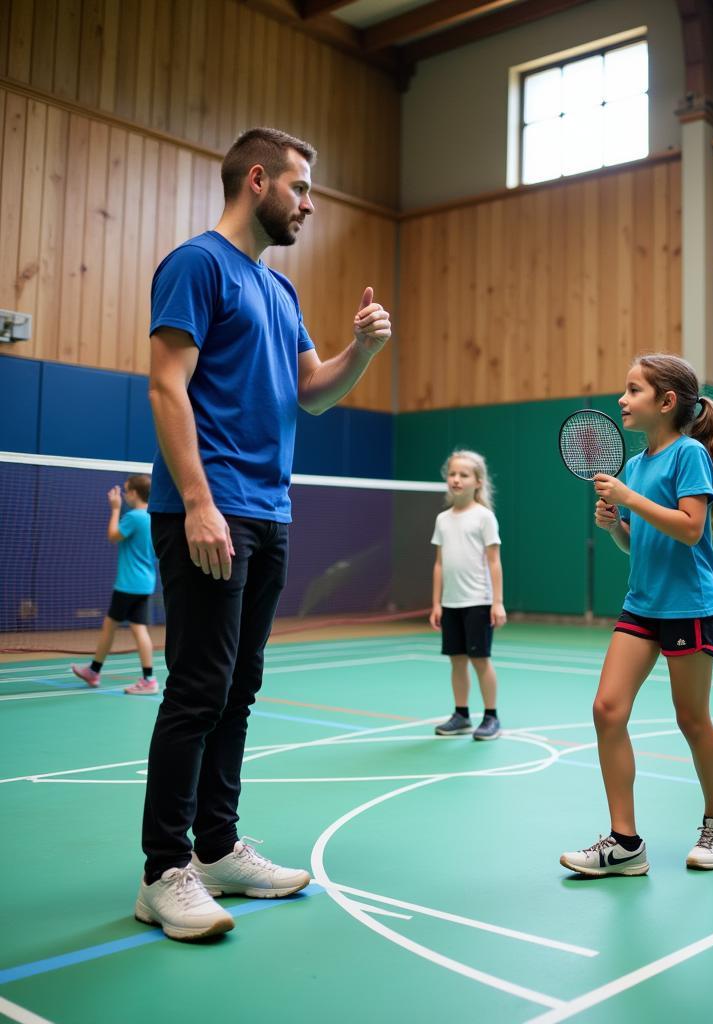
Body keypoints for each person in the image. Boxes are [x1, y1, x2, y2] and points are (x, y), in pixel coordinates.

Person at [136, 126, 391, 942]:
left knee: (239, 688)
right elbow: (166, 387)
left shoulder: (279, 293)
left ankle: (216, 849)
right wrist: (199, 501)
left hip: (269, 512)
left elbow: (312, 393)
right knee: (197, 689)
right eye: (301, 188)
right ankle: (162, 871)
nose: (309, 205)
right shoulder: (196, 265)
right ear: (258, 180)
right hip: (210, 512)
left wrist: (363, 349)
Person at [559, 354, 713, 877]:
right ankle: (625, 843)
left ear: (666, 402)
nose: (622, 399)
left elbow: (688, 527)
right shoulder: (634, 466)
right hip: (642, 604)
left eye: (633, 390)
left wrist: (628, 498)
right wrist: (617, 524)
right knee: (606, 710)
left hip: (690, 607)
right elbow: (639, 542)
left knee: (691, 720)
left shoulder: (689, 456)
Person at [430, 450, 506, 741]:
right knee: (456, 660)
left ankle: (491, 717)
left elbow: (494, 561)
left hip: (478, 601)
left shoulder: (484, 517)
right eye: (452, 474)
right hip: (451, 602)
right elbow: (438, 563)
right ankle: (461, 714)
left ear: (478, 482)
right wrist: (436, 603)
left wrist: (497, 602)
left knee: (480, 659)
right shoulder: (442, 519)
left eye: (464, 475)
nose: (456, 480)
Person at [71, 475, 158, 695]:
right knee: (130, 628)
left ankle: (145, 679)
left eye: (127, 490)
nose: (124, 494)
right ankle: (98, 671)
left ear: (135, 494)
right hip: (145, 582)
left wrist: (115, 508)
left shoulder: (135, 517)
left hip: (128, 584)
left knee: (121, 627)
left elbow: (113, 536)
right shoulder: (151, 517)